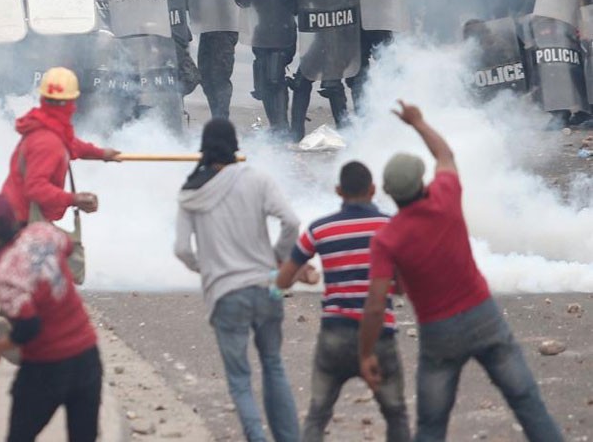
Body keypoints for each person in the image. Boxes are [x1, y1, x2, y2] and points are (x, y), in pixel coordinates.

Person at [359, 100, 564, 442]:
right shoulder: (444, 196)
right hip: (484, 316)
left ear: (390, 195)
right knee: (527, 402)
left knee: (431, 425)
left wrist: (365, 353)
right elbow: (446, 156)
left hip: (439, 334)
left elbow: (377, 303)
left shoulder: (387, 239)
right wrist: (419, 123)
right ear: (422, 184)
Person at [174, 118, 301, 442]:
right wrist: (277, 257)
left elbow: (182, 250)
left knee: (240, 379)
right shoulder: (256, 178)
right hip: (266, 287)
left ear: (204, 149)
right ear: (234, 147)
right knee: (273, 365)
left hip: (226, 294)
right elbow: (291, 221)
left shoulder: (191, 193)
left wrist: (210, 269)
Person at [276, 162, 409, 442]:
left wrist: (305, 274)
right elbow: (402, 286)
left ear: (338, 191)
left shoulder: (320, 229)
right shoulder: (391, 227)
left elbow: (283, 280)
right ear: (373, 190)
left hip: (334, 335)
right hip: (380, 336)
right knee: (396, 414)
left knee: (318, 414)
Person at [0, 194, 103, 442]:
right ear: (14, 216)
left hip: (46, 367)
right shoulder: (44, 232)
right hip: (86, 355)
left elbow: (28, 327)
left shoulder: (3, 276)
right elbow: (66, 247)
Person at [0, 66, 120, 273]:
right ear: (71, 102)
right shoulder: (48, 141)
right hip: (21, 220)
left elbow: (71, 144)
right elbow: (36, 188)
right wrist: (74, 199)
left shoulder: (48, 127)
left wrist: (101, 154)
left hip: (19, 216)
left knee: (28, 292)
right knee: (34, 289)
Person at [290, 0, 359, 142]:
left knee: (333, 84)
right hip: (322, 40)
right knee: (302, 82)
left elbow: (348, 0)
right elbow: (296, 7)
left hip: (343, 41)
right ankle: (295, 135)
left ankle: (346, 134)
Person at [235, 0, 297, 131]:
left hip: (283, 25)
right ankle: (276, 126)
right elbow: (241, 0)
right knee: (263, 79)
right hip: (261, 28)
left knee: (274, 76)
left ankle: (282, 127)